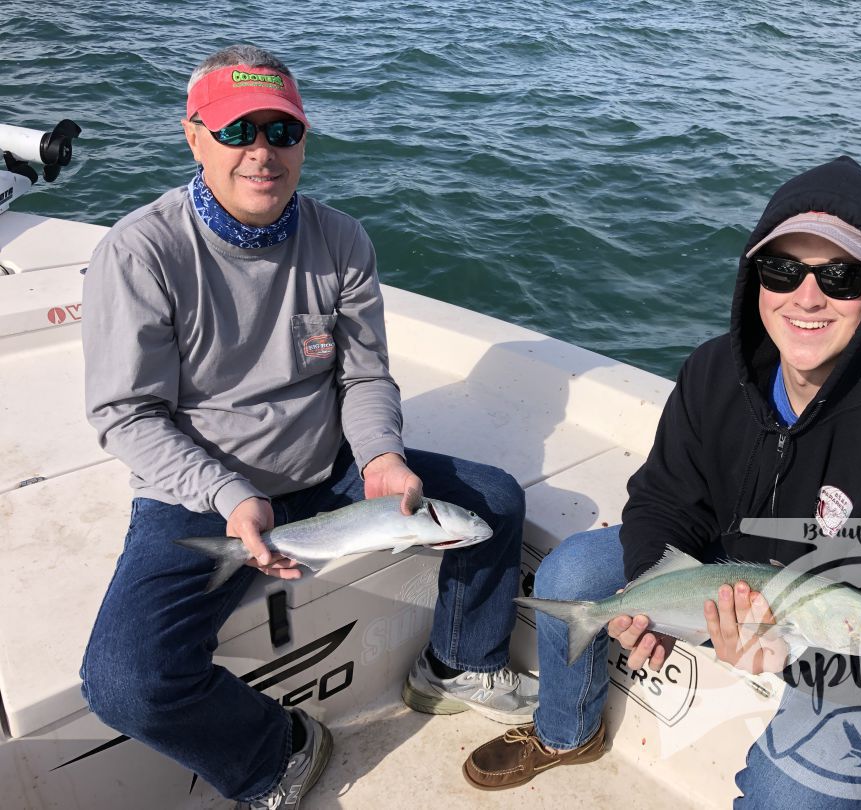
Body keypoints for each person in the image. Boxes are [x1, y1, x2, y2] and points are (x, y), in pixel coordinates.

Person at [79, 44, 536, 810]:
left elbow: (362, 376)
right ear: (194, 136)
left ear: (303, 140)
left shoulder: (342, 240)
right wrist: (228, 493)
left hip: (330, 470)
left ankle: (457, 663)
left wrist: (383, 457)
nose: (261, 154)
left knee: (492, 500)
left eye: (280, 132)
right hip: (201, 492)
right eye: (236, 132)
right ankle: (276, 750)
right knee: (126, 681)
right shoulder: (142, 250)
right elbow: (127, 415)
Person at [464, 156, 861, 806]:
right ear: (756, 278)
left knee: (782, 797)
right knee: (570, 579)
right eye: (783, 269)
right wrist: (648, 590)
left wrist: (786, 654)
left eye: (841, 275)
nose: (807, 296)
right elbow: (664, 498)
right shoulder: (718, 370)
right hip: (745, 572)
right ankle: (567, 730)